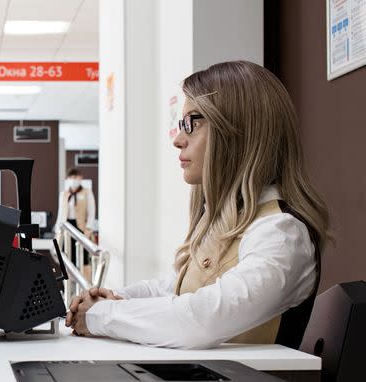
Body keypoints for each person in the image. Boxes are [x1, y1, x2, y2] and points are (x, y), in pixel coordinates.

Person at [66, 61, 330, 349]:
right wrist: (115, 298)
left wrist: (100, 316)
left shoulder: (281, 234)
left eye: (191, 122)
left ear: (237, 132)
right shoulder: (228, 222)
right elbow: (172, 287)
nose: (178, 140)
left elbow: (199, 321)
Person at [54, 167, 96, 271]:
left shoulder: (87, 192)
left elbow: (91, 211)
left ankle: (84, 282)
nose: (74, 179)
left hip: (81, 226)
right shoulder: (64, 194)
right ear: (68, 178)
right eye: (71, 177)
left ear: (80, 178)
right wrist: (57, 229)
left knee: (83, 257)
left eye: (76, 177)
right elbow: (61, 213)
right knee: (68, 255)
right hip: (67, 227)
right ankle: (68, 282)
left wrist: (88, 228)